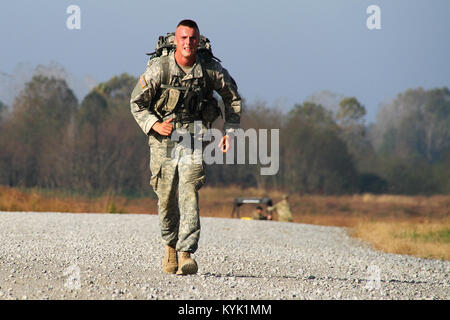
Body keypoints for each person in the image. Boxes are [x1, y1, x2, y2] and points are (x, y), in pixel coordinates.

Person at [130, 19, 241, 275]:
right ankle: (170, 246)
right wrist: (154, 125)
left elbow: (232, 97)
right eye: (183, 38)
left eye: (192, 38)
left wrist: (231, 132)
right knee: (166, 194)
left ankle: (186, 252)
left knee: (189, 189)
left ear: (198, 40)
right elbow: (136, 102)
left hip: (194, 135)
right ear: (176, 41)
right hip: (163, 138)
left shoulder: (210, 69)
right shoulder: (160, 69)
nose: (188, 43)